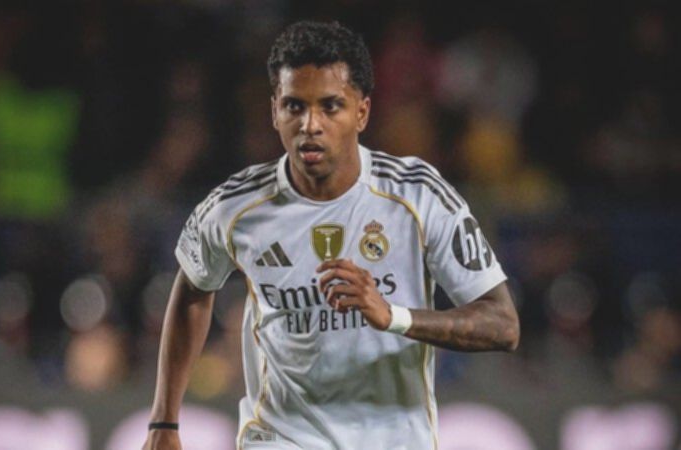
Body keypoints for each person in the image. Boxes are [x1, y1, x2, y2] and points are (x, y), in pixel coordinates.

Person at [142, 21, 519, 450]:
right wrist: (163, 421)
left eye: (330, 106)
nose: (310, 125)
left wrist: (393, 316)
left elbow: (502, 324)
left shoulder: (417, 194)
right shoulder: (234, 207)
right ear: (274, 111)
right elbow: (193, 287)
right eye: (294, 106)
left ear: (362, 112)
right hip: (281, 438)